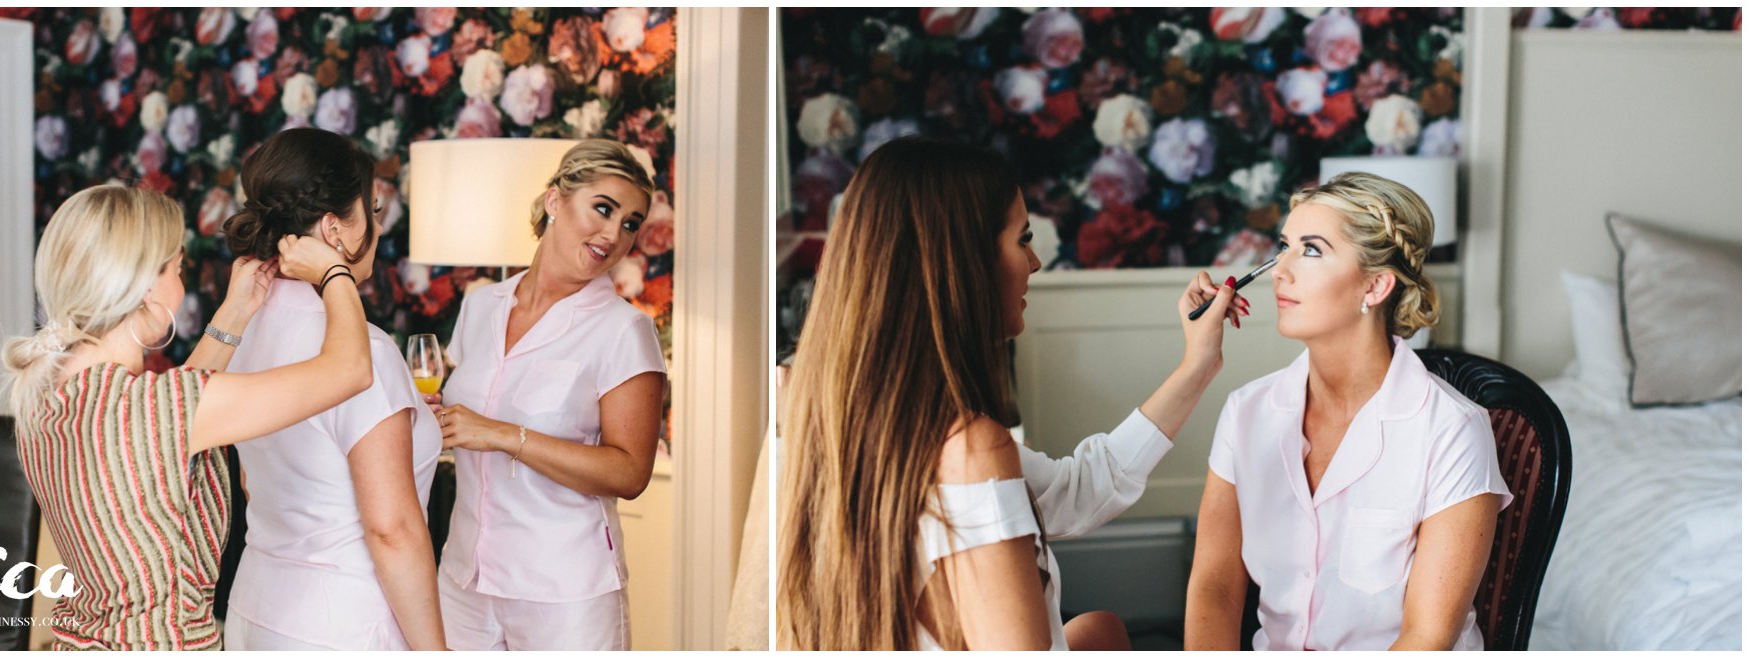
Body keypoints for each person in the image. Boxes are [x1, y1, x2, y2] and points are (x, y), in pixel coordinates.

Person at [775, 137, 1245, 650]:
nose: (1036, 261)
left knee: (1100, 629)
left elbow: (1077, 492)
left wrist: (1198, 364)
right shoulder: (971, 450)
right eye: (1022, 239)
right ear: (961, 260)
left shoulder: (826, 412)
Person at [0, 184, 370, 650]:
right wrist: (335, 271)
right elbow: (349, 369)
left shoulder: (50, 395)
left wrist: (234, 314)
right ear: (145, 285)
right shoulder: (151, 406)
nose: (181, 282)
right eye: (178, 267)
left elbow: (158, 440)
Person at [1184, 172, 1512, 651]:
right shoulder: (1246, 412)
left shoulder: (1452, 430)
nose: (1279, 270)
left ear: (1376, 286)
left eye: (1311, 250)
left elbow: (1426, 638)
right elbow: (1214, 588)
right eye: (1284, 246)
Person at [424, 139, 666, 650]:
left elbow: (629, 473)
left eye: (630, 223)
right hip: (464, 579)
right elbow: (463, 415)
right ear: (556, 200)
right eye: (603, 208)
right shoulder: (481, 306)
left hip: (566, 593)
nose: (613, 234)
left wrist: (506, 435)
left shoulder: (623, 331)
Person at [216, 128, 446, 651]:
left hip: (257, 607)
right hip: (344, 622)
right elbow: (392, 530)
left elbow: (258, 480)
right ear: (333, 228)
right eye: (374, 208)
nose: (381, 226)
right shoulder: (366, 353)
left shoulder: (242, 325)